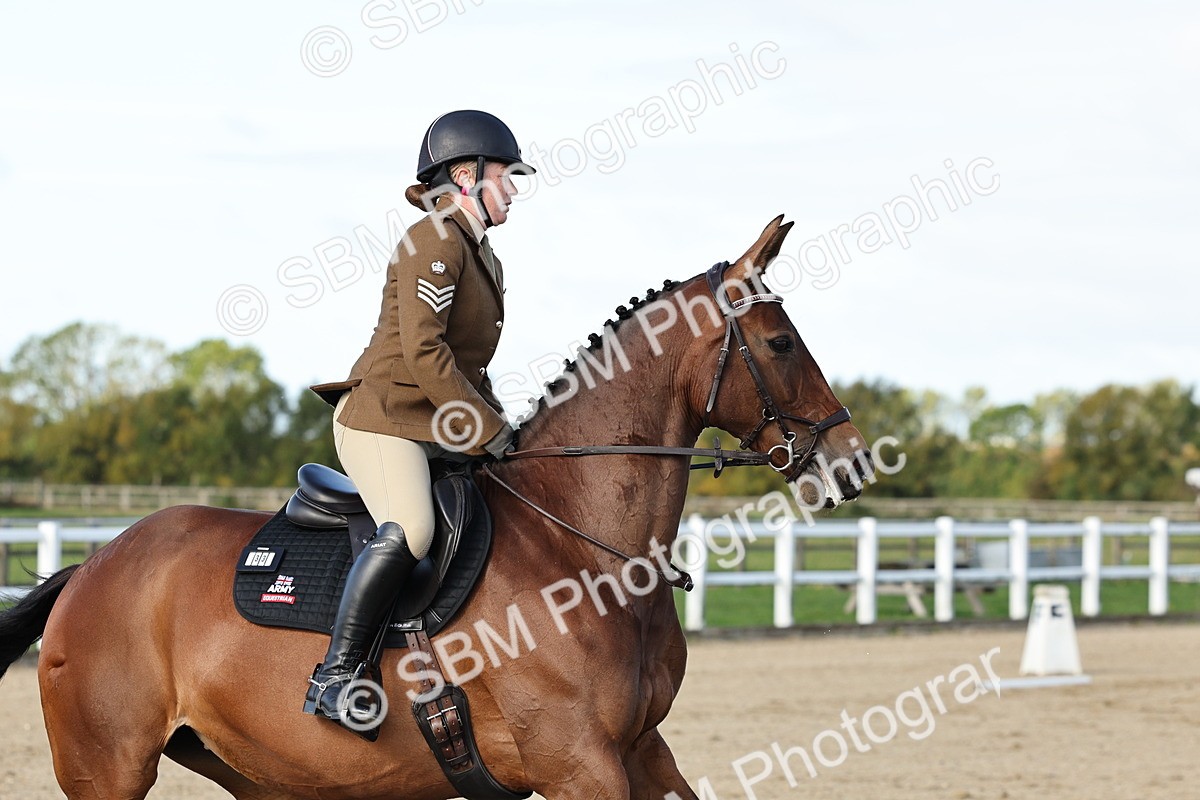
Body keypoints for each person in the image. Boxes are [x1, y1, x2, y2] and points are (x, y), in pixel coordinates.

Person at [304, 110, 534, 733]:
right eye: (507, 176)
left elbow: (469, 368)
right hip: (384, 418)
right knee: (413, 528)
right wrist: (487, 431)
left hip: (435, 424)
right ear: (466, 175)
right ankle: (335, 676)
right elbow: (424, 354)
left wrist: (512, 431)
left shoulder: (484, 255)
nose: (515, 188)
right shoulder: (431, 236)